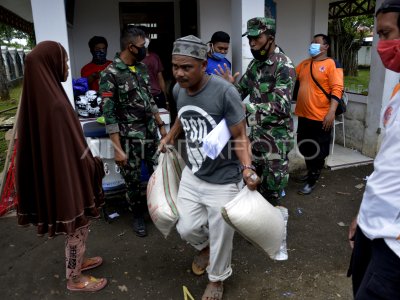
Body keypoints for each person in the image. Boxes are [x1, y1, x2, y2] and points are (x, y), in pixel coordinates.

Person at [160, 35, 259, 300]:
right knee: (186, 227)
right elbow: (183, 114)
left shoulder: (225, 92)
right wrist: (170, 136)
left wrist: (247, 168)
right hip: (194, 171)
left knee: (222, 232)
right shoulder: (179, 89)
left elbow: (240, 135)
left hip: (223, 178)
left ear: (203, 65)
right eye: (175, 67)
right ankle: (205, 248)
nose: (179, 73)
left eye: (186, 67)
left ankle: (217, 278)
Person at [16, 41, 107, 292]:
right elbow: (67, 150)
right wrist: (88, 167)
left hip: (64, 173)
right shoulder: (55, 104)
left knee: (80, 227)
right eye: (64, 61)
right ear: (51, 63)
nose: (67, 66)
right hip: (66, 177)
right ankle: (75, 278)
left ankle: (78, 263)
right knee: (77, 227)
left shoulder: (48, 94)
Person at [348, 1, 400, 298]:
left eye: (386, 33)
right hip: (372, 226)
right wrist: (362, 213)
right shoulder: (396, 92)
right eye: (378, 34)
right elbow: (387, 163)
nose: (382, 44)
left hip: (394, 244)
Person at [217, 17, 295, 206]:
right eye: (249, 39)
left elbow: (282, 106)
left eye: (256, 38)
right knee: (253, 188)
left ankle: (274, 231)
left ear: (270, 37)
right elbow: (239, 92)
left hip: (276, 144)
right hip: (257, 139)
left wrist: (246, 108)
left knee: (271, 194)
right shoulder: (255, 65)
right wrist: (229, 89)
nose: (252, 44)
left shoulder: (284, 66)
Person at [99, 26, 167, 237]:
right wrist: (117, 149)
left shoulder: (142, 68)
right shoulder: (109, 74)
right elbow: (109, 116)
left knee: (158, 173)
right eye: (142, 45)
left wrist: (161, 126)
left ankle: (161, 209)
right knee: (133, 180)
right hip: (129, 139)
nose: (145, 49)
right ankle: (137, 216)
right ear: (131, 47)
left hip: (150, 134)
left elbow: (150, 100)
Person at [294, 33, 344, 195]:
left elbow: (337, 89)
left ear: (326, 46)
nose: (312, 45)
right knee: (304, 145)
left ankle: (313, 179)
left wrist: (331, 112)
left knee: (318, 150)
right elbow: (290, 78)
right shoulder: (304, 64)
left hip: (321, 116)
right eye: (312, 42)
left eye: (316, 42)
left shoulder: (332, 64)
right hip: (303, 115)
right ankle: (310, 172)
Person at [140, 27, 169, 110]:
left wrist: (166, 100)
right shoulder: (135, 59)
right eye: (142, 36)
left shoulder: (155, 57)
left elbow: (160, 78)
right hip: (142, 98)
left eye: (147, 36)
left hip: (157, 96)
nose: (145, 39)